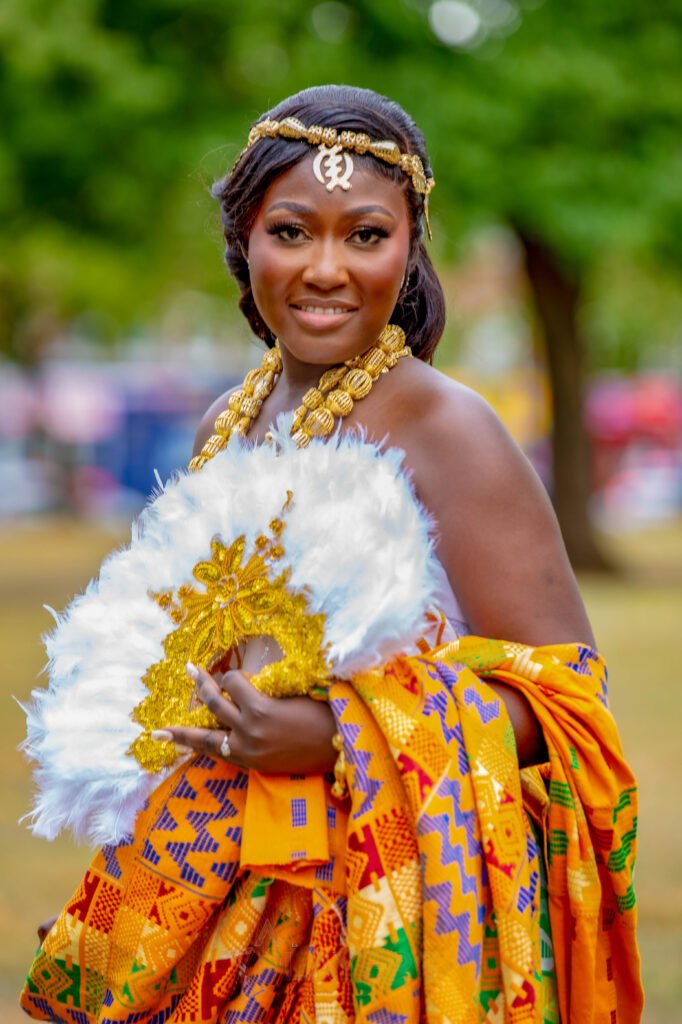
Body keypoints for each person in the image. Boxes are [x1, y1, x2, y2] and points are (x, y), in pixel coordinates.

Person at [22, 85, 642, 1024]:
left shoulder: (448, 428)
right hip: (224, 909)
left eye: (365, 235)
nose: (325, 269)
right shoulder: (225, 426)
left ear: (409, 248)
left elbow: (568, 706)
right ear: (244, 241)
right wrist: (133, 882)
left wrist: (338, 734)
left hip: (391, 926)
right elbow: (187, 696)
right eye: (291, 231)